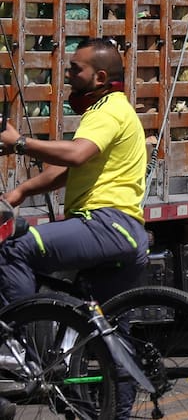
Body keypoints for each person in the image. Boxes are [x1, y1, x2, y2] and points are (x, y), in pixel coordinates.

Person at [0, 37, 150, 305]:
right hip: (127, 234)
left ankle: (18, 341)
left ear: (100, 76)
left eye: (76, 69)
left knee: (14, 250)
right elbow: (69, 170)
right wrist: (22, 191)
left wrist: (21, 143)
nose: (68, 75)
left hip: (104, 225)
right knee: (104, 329)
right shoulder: (118, 109)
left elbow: (76, 155)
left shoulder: (106, 111)